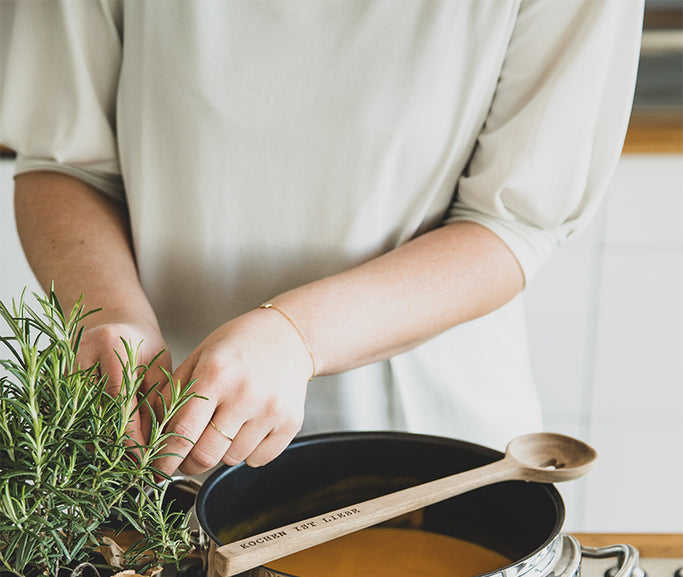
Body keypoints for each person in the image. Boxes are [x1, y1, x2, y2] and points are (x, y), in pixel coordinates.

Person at [0, 0, 644, 478]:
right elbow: (63, 164)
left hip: (424, 450)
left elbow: (513, 221)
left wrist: (296, 335)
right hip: (155, 430)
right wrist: (110, 312)